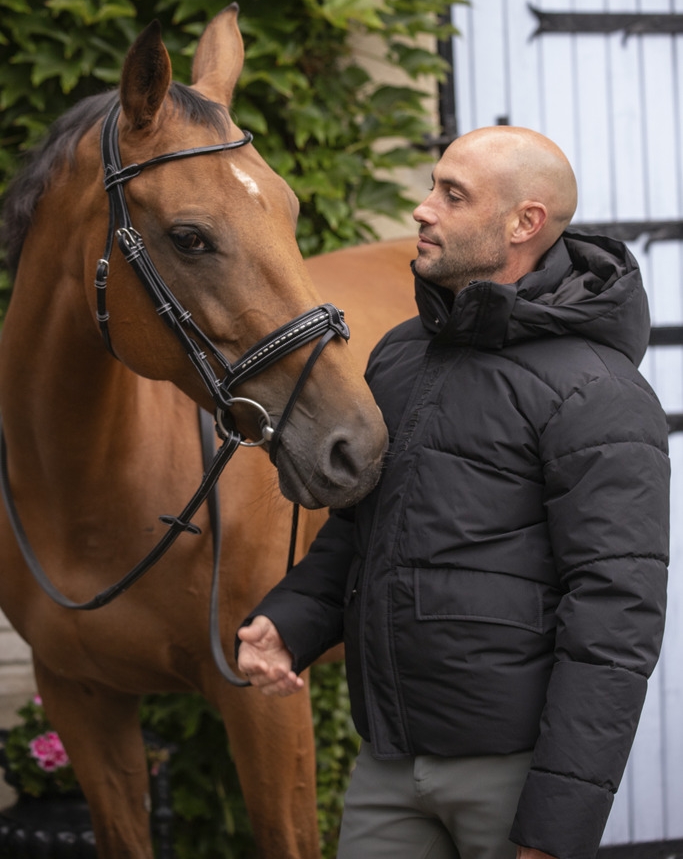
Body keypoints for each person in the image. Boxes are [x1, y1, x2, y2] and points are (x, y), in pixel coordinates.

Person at [237, 126, 670, 859]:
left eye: (451, 194)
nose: (422, 209)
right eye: (432, 186)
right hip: (387, 763)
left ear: (523, 223)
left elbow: (614, 617)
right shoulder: (402, 355)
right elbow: (356, 531)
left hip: (513, 778)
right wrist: (290, 624)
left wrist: (555, 824)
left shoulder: (598, 392)